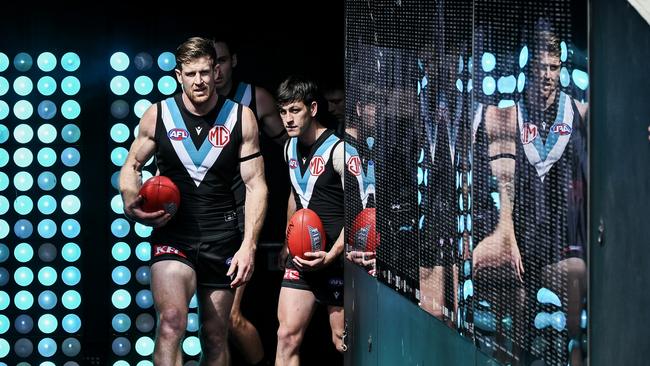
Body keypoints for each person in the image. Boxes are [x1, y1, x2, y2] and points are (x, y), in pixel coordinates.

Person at [119, 36, 268, 366]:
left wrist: (249, 246)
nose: (199, 81)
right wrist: (133, 204)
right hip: (174, 236)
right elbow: (131, 165)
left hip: (222, 238)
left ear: (216, 71)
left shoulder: (240, 117)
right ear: (178, 75)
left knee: (215, 335)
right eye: (191, 74)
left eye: (205, 72)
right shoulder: (157, 115)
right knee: (172, 322)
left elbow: (256, 185)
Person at [472, 19, 588, 365]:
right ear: (530, 69)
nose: (547, 75)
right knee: (515, 338)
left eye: (554, 68)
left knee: (574, 316)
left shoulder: (577, 112)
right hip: (520, 241)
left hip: (560, 242)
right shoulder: (508, 116)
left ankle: (575, 349)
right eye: (541, 67)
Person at [212, 38, 285, 366]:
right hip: (203, 222)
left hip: (242, 218)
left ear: (234, 61)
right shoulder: (189, 105)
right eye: (209, 62)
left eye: (222, 61)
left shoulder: (254, 98)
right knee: (211, 324)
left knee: (231, 317)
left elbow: (293, 152)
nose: (215, 70)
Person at [275, 76, 346, 366]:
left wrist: (332, 254)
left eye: (295, 111)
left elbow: (362, 211)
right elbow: (296, 196)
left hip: (336, 259)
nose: (288, 119)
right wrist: (286, 242)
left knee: (341, 340)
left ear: (313, 109)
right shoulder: (288, 149)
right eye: (283, 111)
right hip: (301, 259)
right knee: (286, 337)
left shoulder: (339, 150)